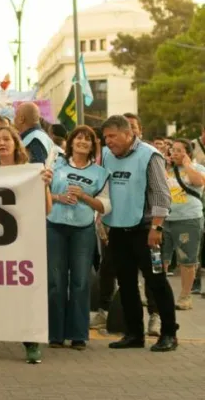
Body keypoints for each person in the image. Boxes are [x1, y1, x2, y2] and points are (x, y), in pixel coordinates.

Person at [0, 126, 52, 363]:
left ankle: (30, 342)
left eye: (7, 139)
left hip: (23, 244)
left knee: (24, 293)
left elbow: (47, 209)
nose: (1, 143)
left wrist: (45, 185)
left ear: (16, 144)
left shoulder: (31, 172)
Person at [101, 115, 177, 352]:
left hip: (146, 231)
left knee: (156, 282)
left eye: (112, 136)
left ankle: (168, 334)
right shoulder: (106, 155)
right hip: (118, 230)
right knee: (126, 283)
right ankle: (134, 333)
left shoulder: (149, 155)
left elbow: (162, 195)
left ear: (128, 133)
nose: (108, 141)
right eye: (105, 137)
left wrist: (156, 227)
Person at [47, 125, 110, 350]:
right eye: (78, 138)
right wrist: (58, 197)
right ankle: (54, 334)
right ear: (71, 142)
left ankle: (78, 335)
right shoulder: (56, 165)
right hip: (54, 227)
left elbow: (105, 206)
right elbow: (41, 192)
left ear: (93, 146)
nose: (82, 142)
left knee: (81, 282)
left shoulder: (100, 173)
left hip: (83, 230)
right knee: (55, 282)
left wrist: (84, 196)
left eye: (88, 140)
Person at [162, 139, 204, 310]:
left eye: (180, 150)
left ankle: (185, 296)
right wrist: (164, 166)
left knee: (187, 260)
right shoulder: (167, 169)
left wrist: (187, 165)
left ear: (188, 152)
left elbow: (199, 182)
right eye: (173, 150)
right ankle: (158, 294)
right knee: (159, 259)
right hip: (164, 220)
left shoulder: (197, 168)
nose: (175, 153)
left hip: (188, 219)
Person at [15, 102, 57, 166]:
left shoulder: (33, 140)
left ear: (21, 119)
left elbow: (36, 169)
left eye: (16, 115)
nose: (14, 118)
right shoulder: (42, 136)